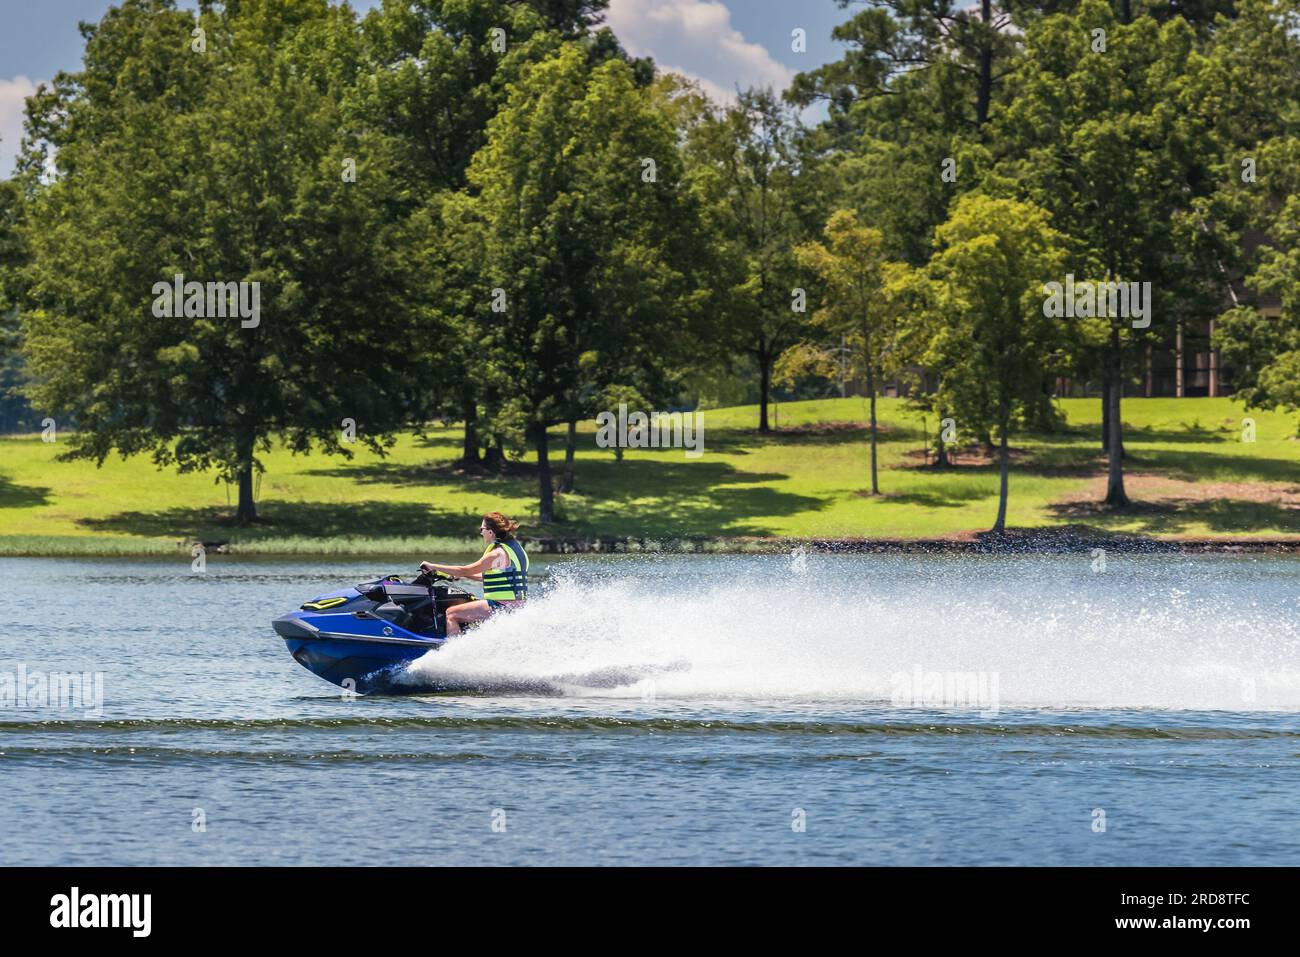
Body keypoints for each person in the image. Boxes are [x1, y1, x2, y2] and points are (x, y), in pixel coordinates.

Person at [419, 511, 529, 636]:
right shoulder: (516, 549)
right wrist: (464, 575)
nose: (481, 532)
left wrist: (432, 566)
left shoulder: (496, 554)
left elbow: (464, 569)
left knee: (452, 613)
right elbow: (488, 577)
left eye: (482, 529)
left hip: (501, 606)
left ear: (490, 532)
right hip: (516, 606)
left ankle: (454, 650)